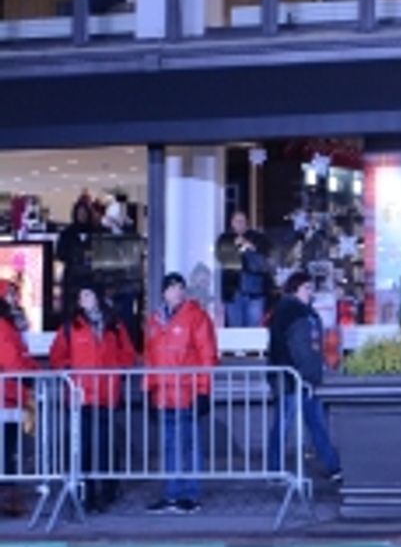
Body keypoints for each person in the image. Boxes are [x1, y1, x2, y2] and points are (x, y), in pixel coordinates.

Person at [49, 283, 136, 512]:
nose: (85, 300)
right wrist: (72, 372)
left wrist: (115, 373)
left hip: (106, 395)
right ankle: (84, 493)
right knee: (82, 447)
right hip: (81, 397)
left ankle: (108, 491)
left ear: (96, 297)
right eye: (81, 296)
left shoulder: (114, 325)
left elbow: (128, 354)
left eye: (88, 295)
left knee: (107, 446)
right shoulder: (71, 327)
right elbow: (57, 357)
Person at [142, 271, 218, 515]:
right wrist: (148, 390)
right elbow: (150, 359)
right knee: (170, 446)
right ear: (164, 292)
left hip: (188, 391)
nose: (177, 292)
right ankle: (172, 492)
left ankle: (191, 494)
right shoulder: (155, 321)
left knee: (190, 444)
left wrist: (205, 390)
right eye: (172, 287)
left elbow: (208, 355)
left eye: (180, 287)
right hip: (164, 393)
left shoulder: (196, 317)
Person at [265, 270, 342, 483]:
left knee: (309, 423)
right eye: (306, 288)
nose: (311, 292)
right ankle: (276, 469)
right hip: (293, 378)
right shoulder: (293, 313)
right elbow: (298, 348)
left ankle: (331, 465)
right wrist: (306, 373)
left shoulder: (296, 312)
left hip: (299, 377)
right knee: (291, 424)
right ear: (295, 289)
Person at [0, 293, 36, 517]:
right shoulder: (4, 327)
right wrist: (30, 374)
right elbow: (12, 360)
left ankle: (9, 500)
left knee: (7, 448)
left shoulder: (9, 326)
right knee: (6, 450)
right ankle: (8, 501)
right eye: (11, 296)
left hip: (10, 393)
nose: (16, 299)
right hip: (7, 395)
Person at [216, 210, 272, 329]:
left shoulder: (258, 238)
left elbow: (263, 263)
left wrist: (249, 247)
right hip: (233, 293)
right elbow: (226, 261)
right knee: (235, 331)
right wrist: (236, 248)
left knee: (253, 331)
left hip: (255, 293)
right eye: (237, 221)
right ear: (232, 223)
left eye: (242, 221)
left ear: (247, 223)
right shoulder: (225, 239)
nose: (240, 224)